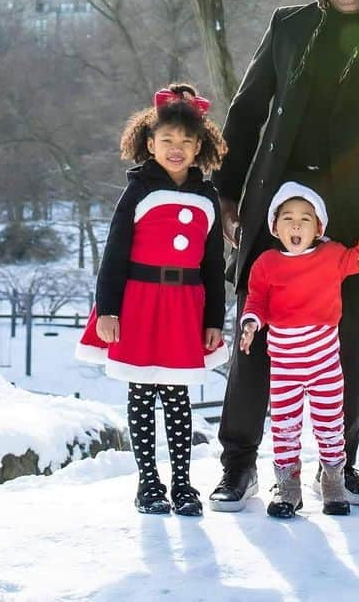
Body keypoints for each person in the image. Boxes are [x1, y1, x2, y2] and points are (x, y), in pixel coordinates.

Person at [209, 0, 359, 512]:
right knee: (255, 334)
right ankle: (238, 467)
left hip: (354, 215)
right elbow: (249, 110)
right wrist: (228, 193)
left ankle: (342, 467)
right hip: (279, 204)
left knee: (344, 340)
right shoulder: (289, 27)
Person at [76, 83, 228, 516]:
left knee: (178, 397)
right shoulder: (138, 191)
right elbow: (114, 253)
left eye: (185, 142)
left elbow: (213, 265)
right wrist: (108, 310)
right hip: (139, 304)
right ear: (149, 143)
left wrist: (213, 319)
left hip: (185, 308)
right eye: (167, 141)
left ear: (200, 146)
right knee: (143, 394)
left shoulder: (206, 196)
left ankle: (183, 484)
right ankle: (149, 485)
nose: (176, 149)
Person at [240, 182, 359, 518]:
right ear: (274, 227)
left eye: (306, 219)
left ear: (319, 227)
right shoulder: (266, 263)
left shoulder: (331, 255)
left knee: (329, 425)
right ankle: (288, 488)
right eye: (288, 218)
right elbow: (257, 300)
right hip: (285, 366)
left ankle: (333, 484)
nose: (296, 225)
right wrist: (250, 324)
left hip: (324, 363)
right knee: (285, 427)